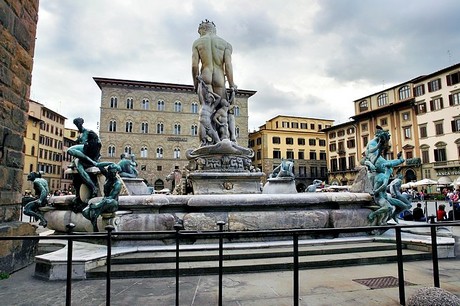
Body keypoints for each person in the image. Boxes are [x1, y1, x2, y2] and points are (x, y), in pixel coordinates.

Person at [192, 20, 236, 100]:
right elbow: (228, 65)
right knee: (221, 108)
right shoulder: (226, 44)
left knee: (207, 109)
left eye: (200, 32)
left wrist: (195, 84)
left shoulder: (197, 43)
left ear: (204, 29)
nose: (200, 35)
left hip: (206, 76)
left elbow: (195, 66)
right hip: (219, 77)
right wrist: (231, 84)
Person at [68, 117, 102, 202]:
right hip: (83, 156)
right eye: (76, 124)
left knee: (70, 150)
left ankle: (91, 161)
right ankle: (93, 187)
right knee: (79, 166)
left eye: (78, 123)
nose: (77, 125)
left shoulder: (87, 132)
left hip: (88, 152)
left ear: (81, 123)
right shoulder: (80, 134)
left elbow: (97, 143)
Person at [82, 162, 122, 232]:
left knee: (108, 201)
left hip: (112, 205)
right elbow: (98, 165)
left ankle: (95, 219)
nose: (113, 174)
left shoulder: (117, 183)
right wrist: (110, 163)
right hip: (104, 202)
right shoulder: (107, 177)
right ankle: (94, 219)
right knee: (84, 211)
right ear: (109, 171)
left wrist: (96, 205)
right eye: (111, 172)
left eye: (115, 172)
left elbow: (111, 197)